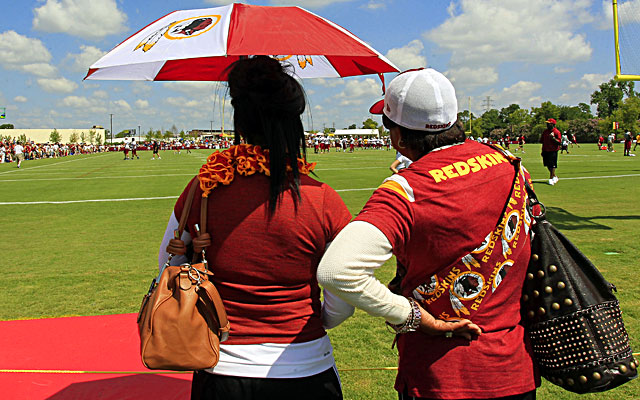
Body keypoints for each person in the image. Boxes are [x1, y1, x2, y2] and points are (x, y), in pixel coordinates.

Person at [318, 68, 538, 400]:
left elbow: (336, 271)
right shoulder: (511, 165)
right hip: (513, 369)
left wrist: (417, 318)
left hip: (441, 375)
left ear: (398, 135)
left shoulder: (406, 189)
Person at [158, 56, 353, 400]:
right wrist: (318, 318)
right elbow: (343, 290)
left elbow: (167, 267)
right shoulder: (322, 199)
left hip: (223, 368)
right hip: (306, 365)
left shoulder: (203, 189)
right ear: (295, 122)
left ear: (240, 117)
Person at [540, 118, 561, 185]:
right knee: (547, 165)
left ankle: (551, 178)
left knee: (552, 165)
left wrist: (553, 138)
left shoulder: (556, 132)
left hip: (553, 151)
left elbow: (559, 142)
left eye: (549, 124)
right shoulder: (545, 131)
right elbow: (541, 141)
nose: (547, 125)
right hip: (545, 150)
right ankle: (554, 176)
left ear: (552, 124)